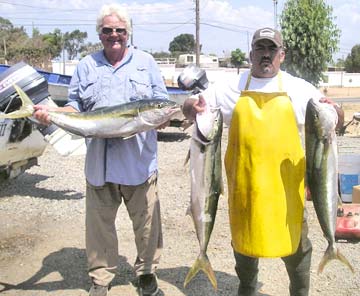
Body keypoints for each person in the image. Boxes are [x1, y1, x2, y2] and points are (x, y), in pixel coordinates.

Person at [182, 27, 344, 296]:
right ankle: (247, 289)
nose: (266, 55)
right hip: (245, 193)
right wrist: (190, 108)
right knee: (245, 256)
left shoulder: (298, 88)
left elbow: (331, 114)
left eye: (272, 49)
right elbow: (191, 106)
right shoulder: (229, 89)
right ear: (251, 54)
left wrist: (336, 110)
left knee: (298, 255)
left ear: (282, 55)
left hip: (287, 195)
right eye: (261, 49)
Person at [33, 3, 168, 296]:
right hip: (100, 164)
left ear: (128, 33)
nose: (114, 35)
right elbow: (75, 107)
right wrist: (51, 113)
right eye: (108, 30)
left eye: (120, 30)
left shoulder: (146, 62)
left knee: (147, 225)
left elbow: (162, 103)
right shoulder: (86, 65)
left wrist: (165, 117)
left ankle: (146, 273)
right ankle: (101, 279)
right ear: (100, 34)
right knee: (99, 226)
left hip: (139, 164)